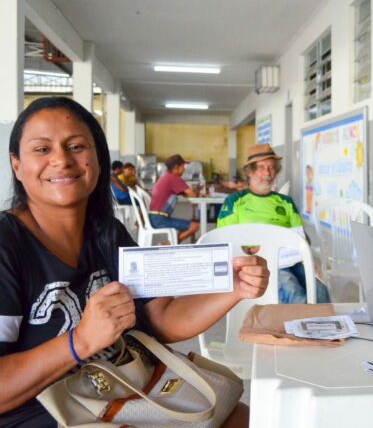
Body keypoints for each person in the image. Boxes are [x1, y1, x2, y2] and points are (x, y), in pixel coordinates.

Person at [0, 96, 269, 427]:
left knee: (248, 417)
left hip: (121, 390)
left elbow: (162, 318)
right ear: (17, 165)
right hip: (46, 415)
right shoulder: (7, 246)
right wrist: (80, 341)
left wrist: (234, 289)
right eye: (42, 149)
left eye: (76, 146)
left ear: (97, 160)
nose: (61, 160)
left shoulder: (107, 233)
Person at [217, 144, 330, 303]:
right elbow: (224, 239)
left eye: (271, 168)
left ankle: (324, 326)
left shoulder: (285, 202)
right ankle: (299, 326)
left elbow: (302, 236)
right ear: (250, 171)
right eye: (261, 168)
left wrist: (309, 259)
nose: (268, 173)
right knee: (292, 290)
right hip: (259, 262)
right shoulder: (234, 201)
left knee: (320, 290)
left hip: (290, 259)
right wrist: (249, 249)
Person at [149, 153, 200, 243]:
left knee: (187, 225)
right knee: (194, 226)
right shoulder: (174, 178)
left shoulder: (166, 176)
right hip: (160, 219)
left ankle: (171, 242)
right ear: (176, 167)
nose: (184, 169)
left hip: (154, 217)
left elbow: (184, 193)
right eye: (183, 166)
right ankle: (169, 244)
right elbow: (192, 194)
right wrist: (197, 190)